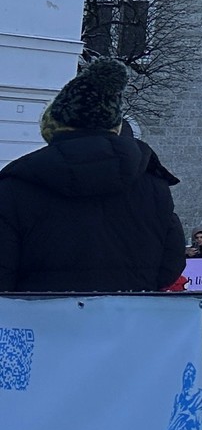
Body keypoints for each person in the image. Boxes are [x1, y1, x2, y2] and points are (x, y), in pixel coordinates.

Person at [0, 60, 185, 292]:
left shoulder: (17, 184)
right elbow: (171, 265)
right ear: (115, 126)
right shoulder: (153, 184)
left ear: (54, 125)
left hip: (39, 323)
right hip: (128, 320)